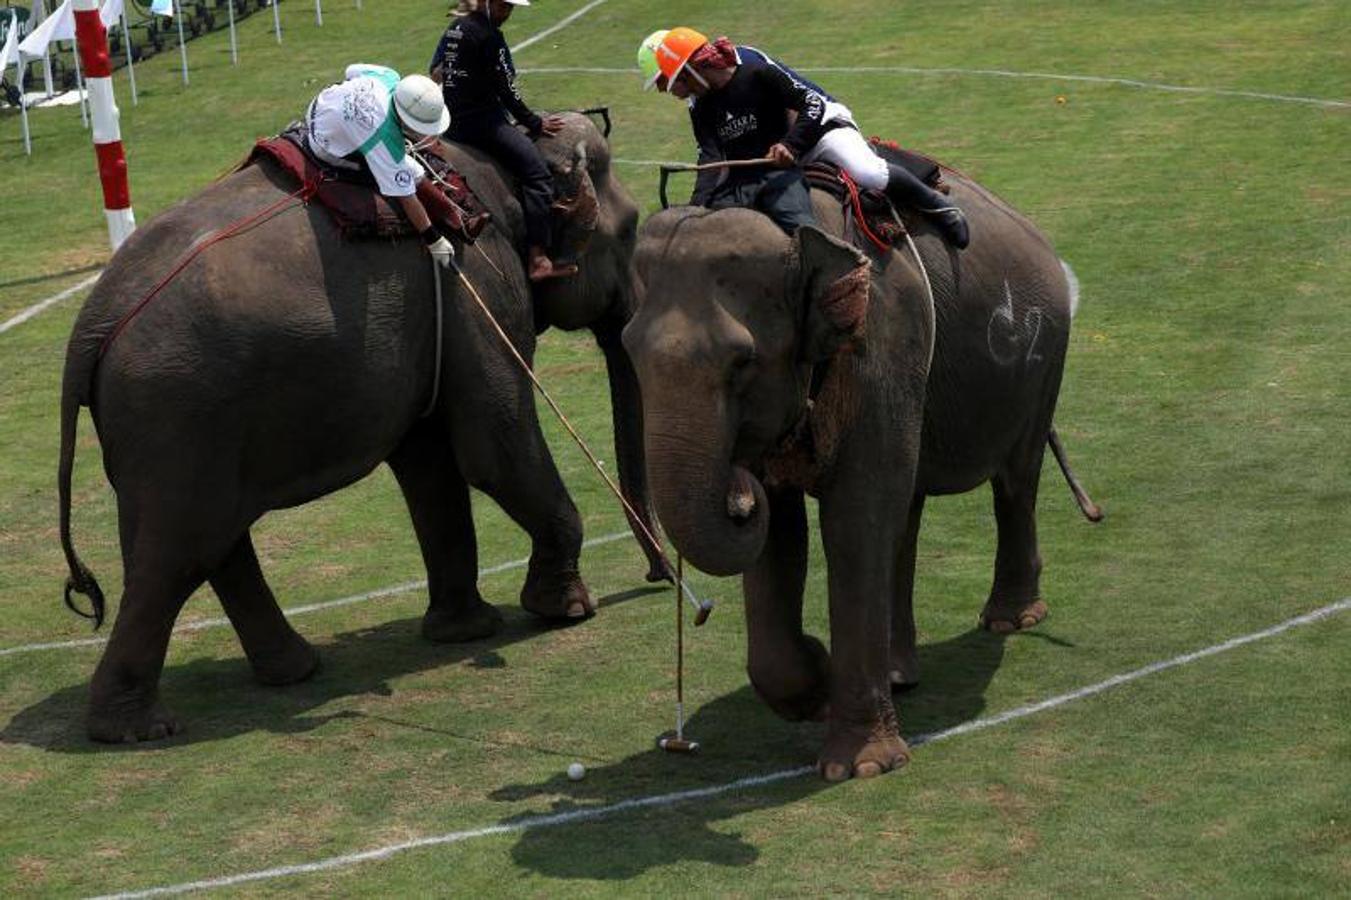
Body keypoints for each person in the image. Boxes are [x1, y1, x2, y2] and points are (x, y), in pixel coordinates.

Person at [643, 28, 969, 247]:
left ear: (692, 69)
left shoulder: (752, 65)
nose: (669, 92)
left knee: (867, 173)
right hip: (776, 151)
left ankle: (937, 206)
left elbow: (806, 105)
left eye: (672, 83)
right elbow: (712, 156)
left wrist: (791, 145)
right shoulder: (699, 103)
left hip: (818, 129)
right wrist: (697, 208)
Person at [430, 0, 575, 281]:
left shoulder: (455, 28)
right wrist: (534, 122)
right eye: (501, 6)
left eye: (509, 7)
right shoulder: (490, 37)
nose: (506, 13)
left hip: (450, 123)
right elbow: (507, 88)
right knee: (537, 174)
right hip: (483, 124)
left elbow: (435, 71)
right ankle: (539, 258)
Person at [306, 64, 458, 268]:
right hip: (324, 146)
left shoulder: (388, 76)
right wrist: (433, 240)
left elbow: (350, 70)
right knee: (413, 170)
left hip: (318, 106)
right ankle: (451, 217)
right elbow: (406, 196)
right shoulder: (385, 142)